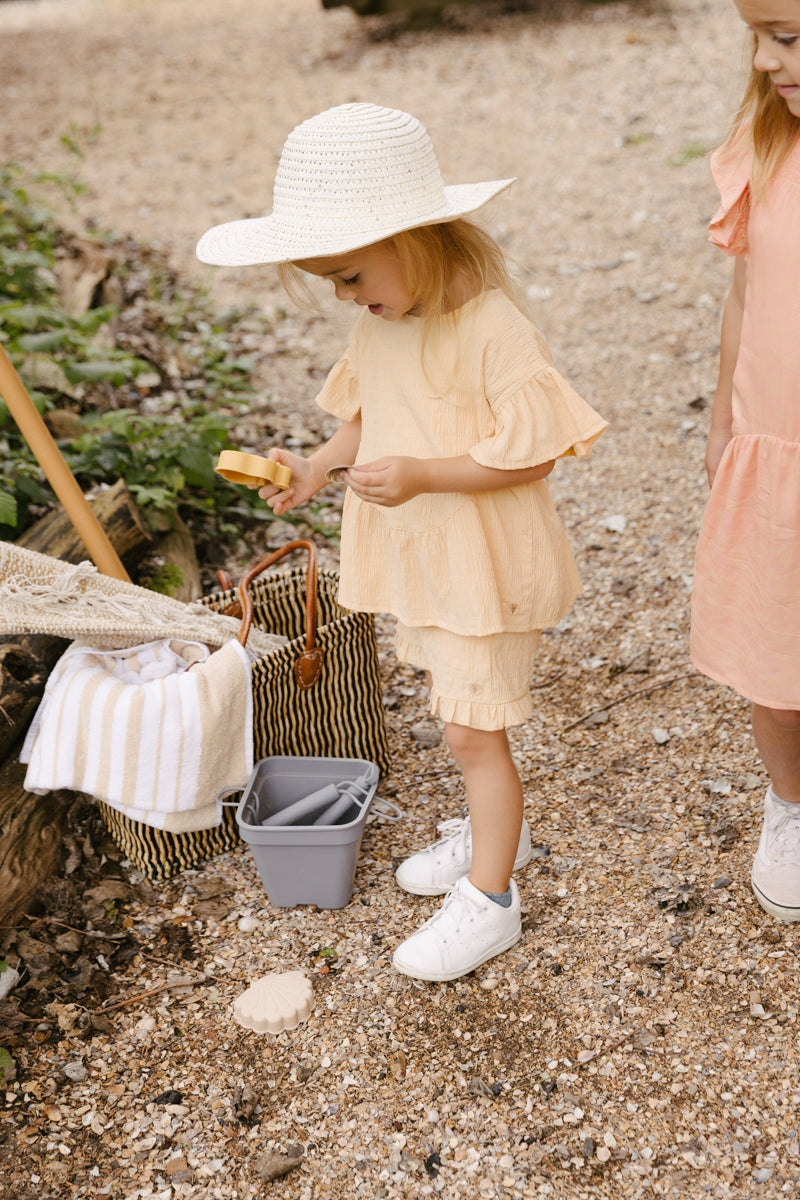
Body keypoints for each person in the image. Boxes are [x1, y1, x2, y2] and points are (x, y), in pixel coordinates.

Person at [197, 102, 607, 980]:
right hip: (431, 563)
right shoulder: (382, 320)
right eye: (334, 284)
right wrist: (310, 467)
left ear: (416, 238)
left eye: (349, 276)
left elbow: (528, 460)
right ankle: (503, 837)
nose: (347, 297)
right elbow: (362, 418)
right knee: (458, 716)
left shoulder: (492, 330)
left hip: (482, 561)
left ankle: (492, 898)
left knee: (470, 732)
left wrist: (423, 474)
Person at [691, 1, 800, 922]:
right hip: (779, 451)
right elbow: (742, 297)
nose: (767, 60)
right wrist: (726, 423)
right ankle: (790, 804)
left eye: (792, 37)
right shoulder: (766, 149)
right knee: (777, 649)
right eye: (760, 37)